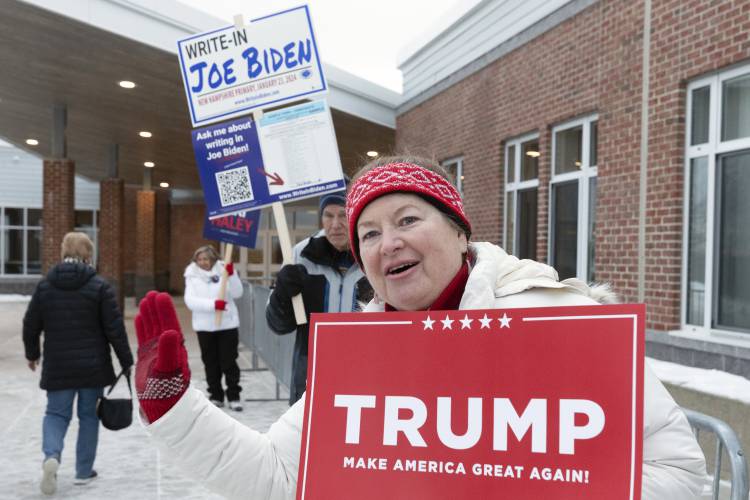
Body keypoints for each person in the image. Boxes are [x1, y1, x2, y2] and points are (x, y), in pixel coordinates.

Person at [135, 156, 707, 500]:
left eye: (408, 219)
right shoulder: (364, 358)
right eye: (370, 234)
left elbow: (680, 476)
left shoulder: (558, 320)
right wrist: (177, 412)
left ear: (461, 232)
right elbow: (282, 477)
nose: (390, 243)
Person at [23, 232, 133, 495]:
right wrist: (126, 361)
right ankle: (83, 471)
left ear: (63, 252)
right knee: (88, 417)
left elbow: (31, 324)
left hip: (59, 365)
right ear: (88, 255)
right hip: (92, 368)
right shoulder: (100, 286)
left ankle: (52, 456)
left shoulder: (46, 286)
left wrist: (32, 353)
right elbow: (114, 329)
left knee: (56, 414)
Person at [265, 191, 373, 404]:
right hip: (311, 370)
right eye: (328, 215)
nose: (335, 224)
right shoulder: (301, 254)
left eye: (344, 215)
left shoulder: (373, 251)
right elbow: (278, 325)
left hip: (364, 368)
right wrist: (282, 295)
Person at [184, 245, 244, 411]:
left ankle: (234, 395)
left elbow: (238, 293)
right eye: (200, 259)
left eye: (206, 259)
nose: (203, 262)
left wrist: (232, 275)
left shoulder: (224, 269)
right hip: (205, 327)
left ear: (213, 259)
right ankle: (216, 395)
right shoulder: (191, 275)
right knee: (211, 362)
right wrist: (213, 305)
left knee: (229, 361)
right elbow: (190, 301)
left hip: (227, 324)